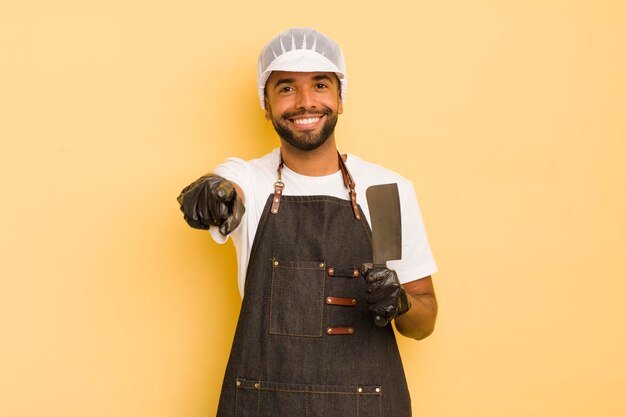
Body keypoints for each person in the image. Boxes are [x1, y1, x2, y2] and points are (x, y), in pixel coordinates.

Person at [178, 27, 438, 417]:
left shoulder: (383, 192)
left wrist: (400, 301)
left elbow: (422, 322)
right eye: (286, 88)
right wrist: (213, 193)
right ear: (265, 104)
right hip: (264, 403)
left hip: (366, 405)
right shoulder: (253, 179)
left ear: (340, 97)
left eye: (320, 84)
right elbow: (227, 187)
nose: (305, 102)